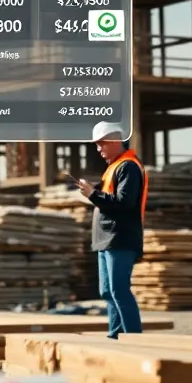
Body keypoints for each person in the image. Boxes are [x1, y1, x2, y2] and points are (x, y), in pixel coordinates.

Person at [77, 121, 148, 339]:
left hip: (120, 238)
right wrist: (94, 192)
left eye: (102, 144)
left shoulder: (128, 167)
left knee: (119, 290)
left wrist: (93, 194)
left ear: (115, 141)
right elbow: (110, 198)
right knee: (107, 291)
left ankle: (133, 338)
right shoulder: (114, 167)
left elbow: (124, 202)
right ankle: (115, 336)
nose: (98, 149)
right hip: (107, 239)